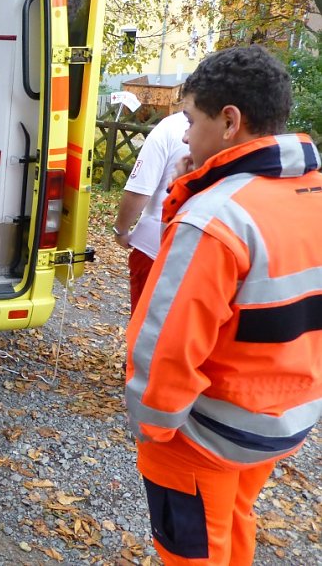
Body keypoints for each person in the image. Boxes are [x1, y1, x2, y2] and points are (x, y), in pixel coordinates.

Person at [125, 45, 322, 566]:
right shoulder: (312, 192)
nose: (186, 135)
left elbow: (164, 350)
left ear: (229, 121)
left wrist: (154, 431)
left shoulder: (214, 218)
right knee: (234, 523)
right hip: (280, 420)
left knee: (193, 552)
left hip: (204, 438)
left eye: (191, 120)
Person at [113, 111, 189, 313]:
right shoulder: (240, 132)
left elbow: (140, 189)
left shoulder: (170, 127)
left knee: (146, 323)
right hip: (199, 253)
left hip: (154, 246)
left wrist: (121, 230)